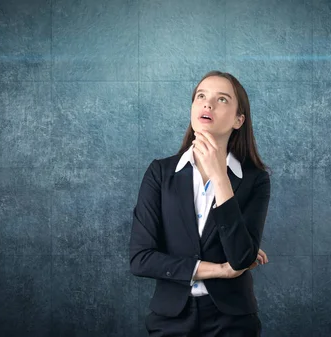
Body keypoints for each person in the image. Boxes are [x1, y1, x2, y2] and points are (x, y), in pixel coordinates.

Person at [129, 70, 271, 337]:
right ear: (193, 107)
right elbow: (140, 259)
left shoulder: (255, 180)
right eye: (201, 97)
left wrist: (220, 176)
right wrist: (218, 270)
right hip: (170, 320)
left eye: (222, 100)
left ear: (239, 120)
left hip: (233, 323)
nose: (208, 104)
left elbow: (241, 258)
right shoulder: (160, 173)